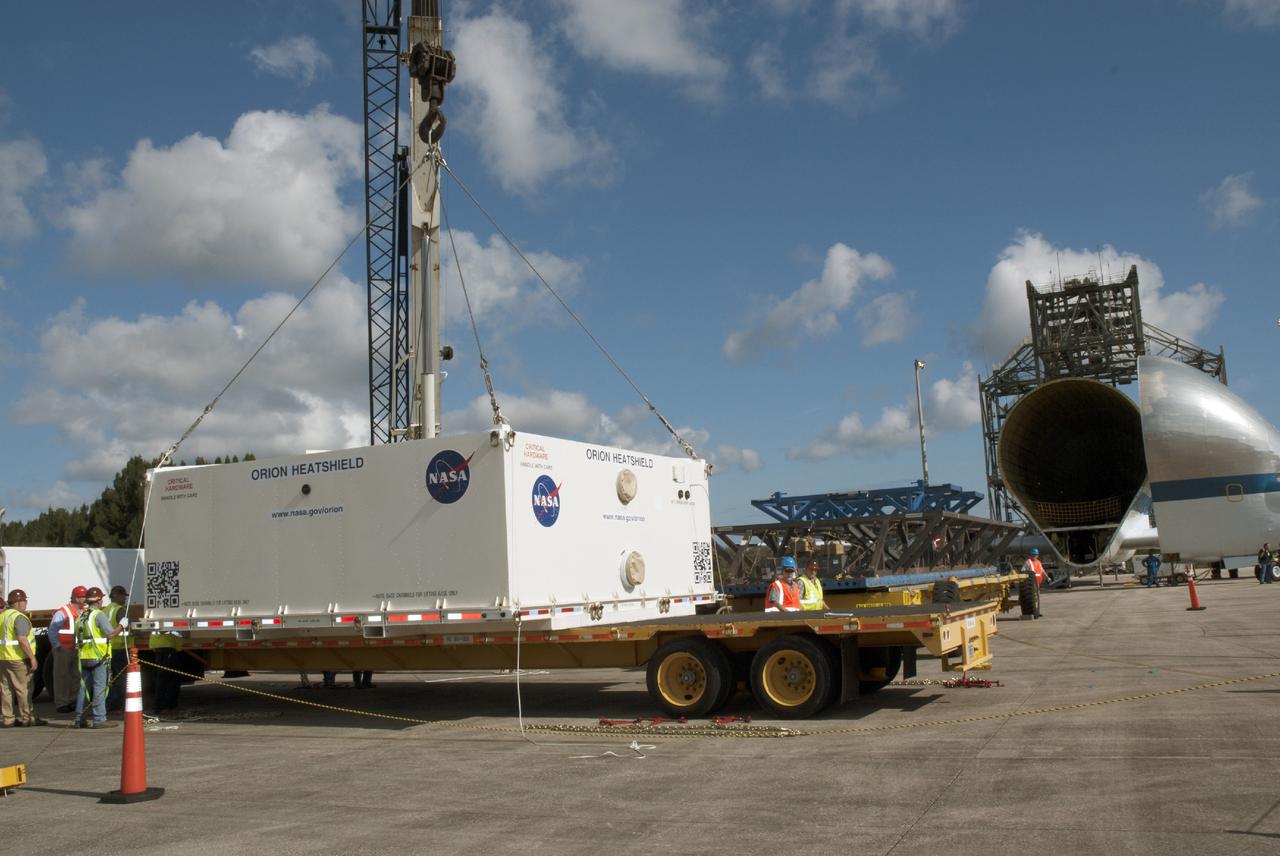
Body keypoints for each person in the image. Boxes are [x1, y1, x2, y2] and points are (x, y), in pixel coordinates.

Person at [73, 587, 125, 729]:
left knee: (84, 688)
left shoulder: (81, 616)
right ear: (99, 600)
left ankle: (79, 719)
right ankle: (99, 719)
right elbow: (110, 634)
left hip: (84, 657)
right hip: (99, 657)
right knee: (99, 688)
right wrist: (122, 625)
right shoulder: (98, 615)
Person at [1, 589, 47, 727]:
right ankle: (27, 717)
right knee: (23, 689)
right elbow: (22, 640)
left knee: (5, 690)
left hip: (3, 658)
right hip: (18, 658)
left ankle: (7, 719)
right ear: (19, 603)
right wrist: (32, 658)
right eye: (25, 601)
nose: (26, 604)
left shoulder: (2, 616)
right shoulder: (19, 617)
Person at [48, 585, 87, 712]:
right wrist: (57, 646)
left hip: (77, 648)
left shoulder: (83, 611)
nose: (85, 599)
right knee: (62, 676)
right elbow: (52, 630)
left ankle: (73, 700)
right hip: (63, 649)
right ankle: (61, 703)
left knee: (76, 675)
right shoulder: (63, 612)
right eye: (83, 597)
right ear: (76, 598)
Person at [103, 585, 131, 712]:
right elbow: (124, 627)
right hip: (120, 648)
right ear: (117, 596)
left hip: (109, 648)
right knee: (122, 678)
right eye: (123, 596)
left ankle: (110, 704)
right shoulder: (120, 610)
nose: (125, 599)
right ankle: (118, 704)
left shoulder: (105, 610)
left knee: (112, 678)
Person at [147, 626, 184, 714]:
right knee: (170, 680)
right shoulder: (172, 617)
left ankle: (162, 706)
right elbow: (177, 634)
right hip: (168, 648)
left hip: (158, 647)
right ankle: (166, 706)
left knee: (163, 679)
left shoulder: (155, 614)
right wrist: (178, 647)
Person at [1022, 548, 1045, 619]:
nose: (1034, 556)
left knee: (1036, 598)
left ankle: (1037, 612)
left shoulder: (1038, 562)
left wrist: (1047, 577)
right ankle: (1034, 612)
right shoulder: (1028, 562)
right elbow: (1023, 571)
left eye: (1035, 555)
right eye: (1033, 555)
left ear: (1037, 555)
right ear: (1030, 555)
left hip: (1037, 582)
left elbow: (1042, 570)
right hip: (1030, 584)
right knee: (1032, 598)